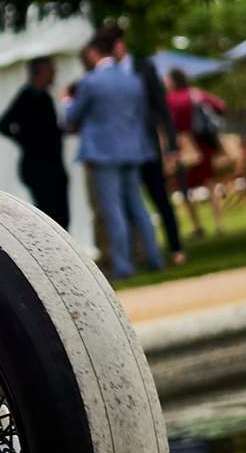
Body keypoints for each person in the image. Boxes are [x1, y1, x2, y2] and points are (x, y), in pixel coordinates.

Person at [64, 34, 166, 280]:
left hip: (103, 152)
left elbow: (71, 118)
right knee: (138, 207)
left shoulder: (90, 82)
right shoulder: (132, 80)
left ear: (94, 53)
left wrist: (66, 103)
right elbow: (141, 115)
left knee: (113, 210)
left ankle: (123, 265)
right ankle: (154, 257)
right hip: (133, 149)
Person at [104, 23, 186, 265]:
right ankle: (141, 254)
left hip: (146, 145)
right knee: (128, 204)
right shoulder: (106, 74)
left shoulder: (143, 68)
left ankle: (176, 247)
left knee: (160, 197)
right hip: (122, 149)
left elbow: (161, 106)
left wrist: (170, 144)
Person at [0, 56, 70, 228]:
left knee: (60, 214)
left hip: (52, 164)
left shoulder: (45, 96)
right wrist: (27, 142)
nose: (54, 74)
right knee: (50, 215)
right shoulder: (28, 95)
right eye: (51, 70)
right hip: (39, 166)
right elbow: (2, 125)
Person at [166, 67, 229, 240]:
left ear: (173, 81)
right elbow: (221, 106)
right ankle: (219, 223)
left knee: (186, 188)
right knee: (210, 184)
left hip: (184, 146)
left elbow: (168, 123)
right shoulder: (196, 94)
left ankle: (197, 226)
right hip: (203, 144)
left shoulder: (170, 99)